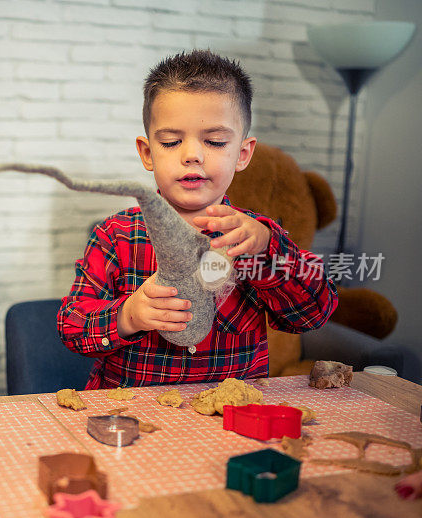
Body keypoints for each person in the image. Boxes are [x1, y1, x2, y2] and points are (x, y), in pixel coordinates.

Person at [57, 49, 338, 389]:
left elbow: (313, 312)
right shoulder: (116, 236)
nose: (192, 155)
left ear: (242, 154)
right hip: (132, 419)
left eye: (215, 141)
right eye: (172, 141)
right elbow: (72, 327)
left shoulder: (256, 238)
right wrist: (128, 315)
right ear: (148, 153)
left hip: (230, 422)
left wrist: (267, 249)